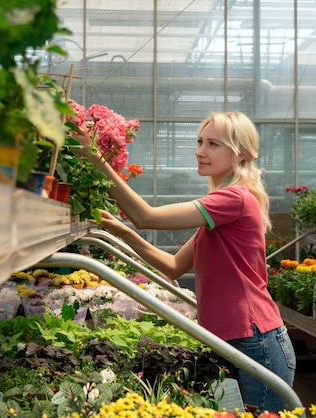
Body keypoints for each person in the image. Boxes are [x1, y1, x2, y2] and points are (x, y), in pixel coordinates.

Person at [73, 111, 296, 412]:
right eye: (200, 141)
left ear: (240, 153)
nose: (200, 151)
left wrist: (92, 156)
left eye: (213, 144)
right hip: (232, 339)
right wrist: (122, 231)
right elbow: (173, 266)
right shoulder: (223, 207)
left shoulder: (235, 199)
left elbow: (146, 216)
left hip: (255, 341)